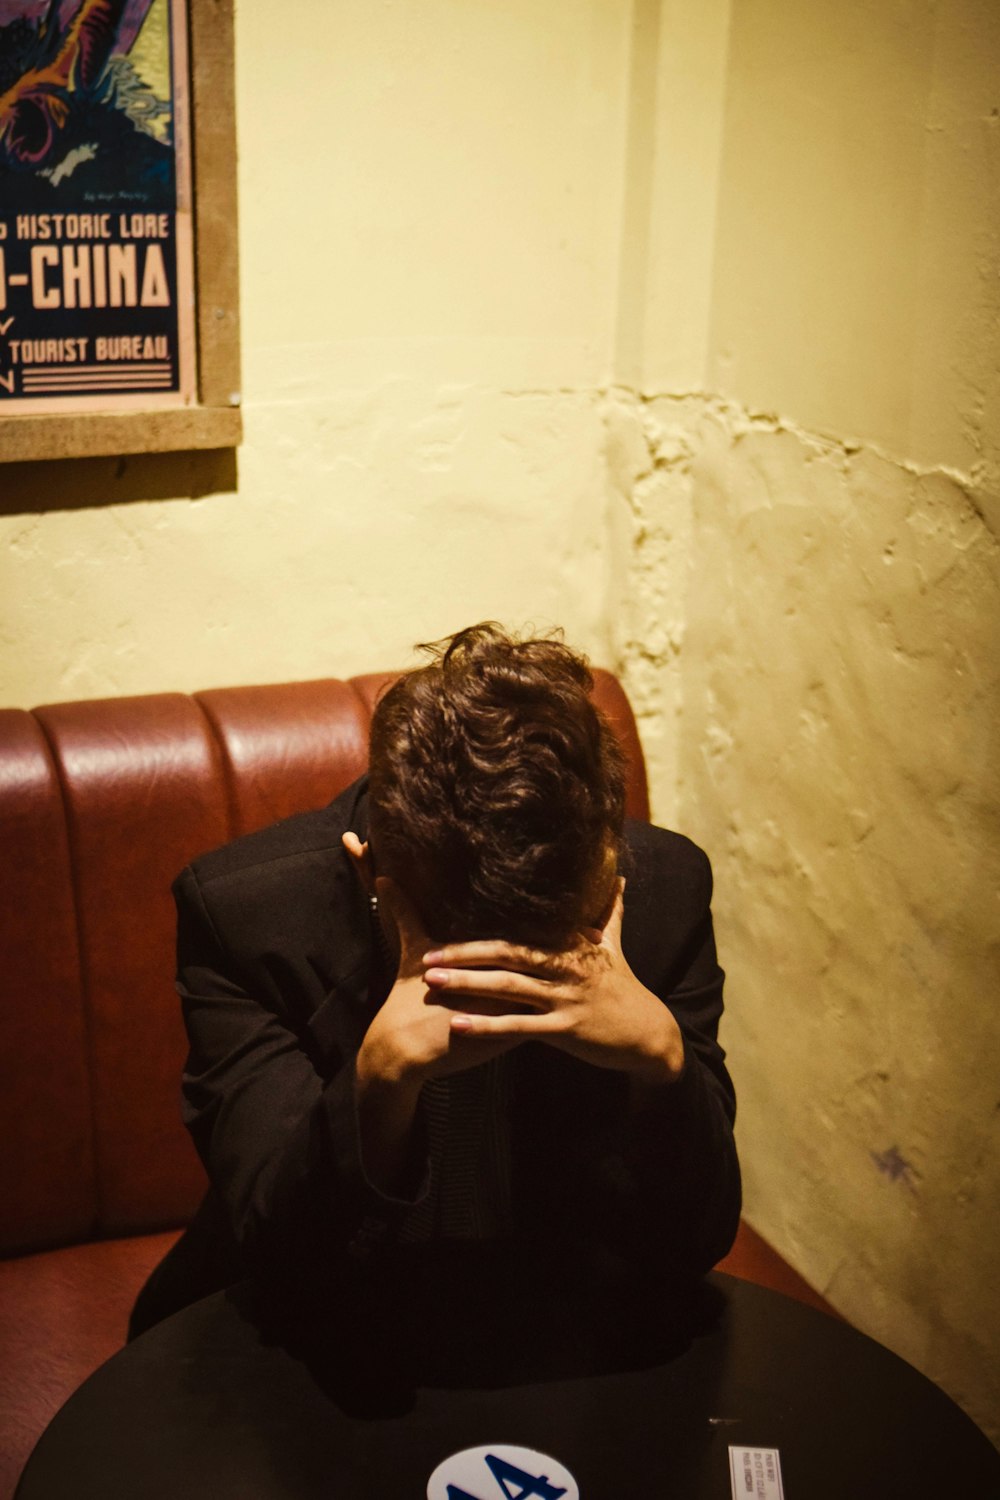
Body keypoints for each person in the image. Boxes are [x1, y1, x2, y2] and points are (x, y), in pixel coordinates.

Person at [130, 623, 740, 1364]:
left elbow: (694, 1241)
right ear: (368, 867)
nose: (504, 981)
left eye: (552, 942)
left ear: (610, 853)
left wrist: (661, 1062)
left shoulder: (663, 891)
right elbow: (278, 1255)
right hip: (317, 1335)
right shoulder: (247, 917)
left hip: (568, 1324)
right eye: (469, 946)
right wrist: (379, 1080)